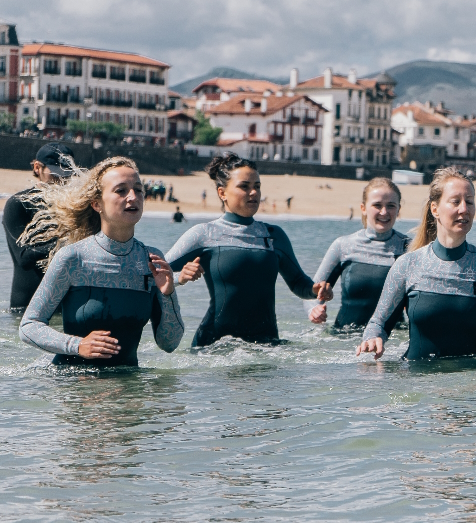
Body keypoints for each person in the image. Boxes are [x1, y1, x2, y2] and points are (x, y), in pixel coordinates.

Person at [18, 157, 183, 366]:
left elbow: (170, 344)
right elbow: (29, 326)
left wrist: (167, 295)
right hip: (76, 386)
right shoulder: (73, 257)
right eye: (121, 190)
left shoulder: (151, 259)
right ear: (97, 204)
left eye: (138, 189)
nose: (133, 197)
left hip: (129, 389)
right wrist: (76, 345)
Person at [358, 169, 476, 360]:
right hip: (417, 382)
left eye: (469, 202)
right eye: (455, 202)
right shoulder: (408, 265)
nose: (464, 209)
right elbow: (378, 323)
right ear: (434, 209)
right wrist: (373, 339)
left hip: (470, 383)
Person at [166, 153, 320, 347]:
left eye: (257, 186)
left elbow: (298, 283)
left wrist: (315, 290)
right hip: (214, 349)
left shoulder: (274, 236)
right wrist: (179, 277)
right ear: (222, 193)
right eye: (244, 187)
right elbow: (152, 274)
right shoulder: (204, 234)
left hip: (267, 346)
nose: (253, 192)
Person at [309, 177, 411, 332]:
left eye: (390, 206)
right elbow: (311, 289)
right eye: (377, 205)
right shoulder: (343, 246)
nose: (384, 212)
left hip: (391, 343)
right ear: (363, 208)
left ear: (398, 209)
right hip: (344, 338)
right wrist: (314, 309)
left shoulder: (409, 248)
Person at [5, 143, 77, 311]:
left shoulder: (76, 207)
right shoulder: (19, 204)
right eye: (56, 173)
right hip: (28, 305)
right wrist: (70, 241)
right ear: (37, 167)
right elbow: (23, 256)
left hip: (68, 305)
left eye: (67, 174)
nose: (62, 179)